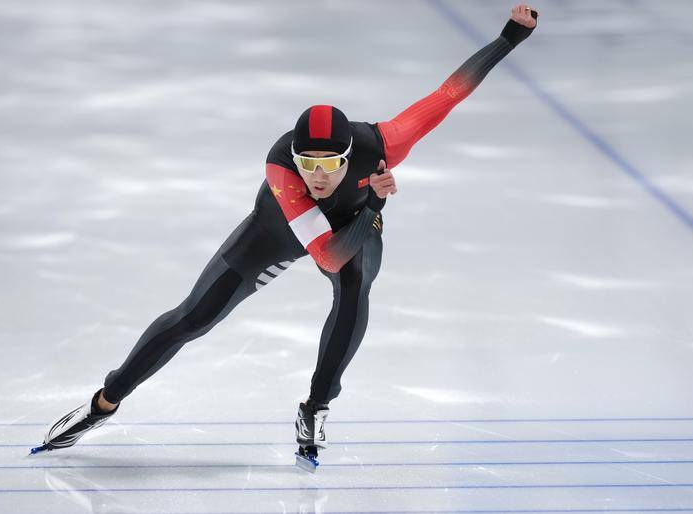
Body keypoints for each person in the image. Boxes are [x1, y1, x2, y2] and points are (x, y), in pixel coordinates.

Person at [32, 4, 539, 470]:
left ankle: (315, 407)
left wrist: (507, 39)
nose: (317, 176)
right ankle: (103, 402)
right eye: (307, 163)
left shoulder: (386, 142)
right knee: (194, 317)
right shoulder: (282, 171)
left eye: (329, 165)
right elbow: (329, 255)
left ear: (349, 157)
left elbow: (449, 93)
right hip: (279, 230)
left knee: (355, 290)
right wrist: (375, 202)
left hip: (352, 224)